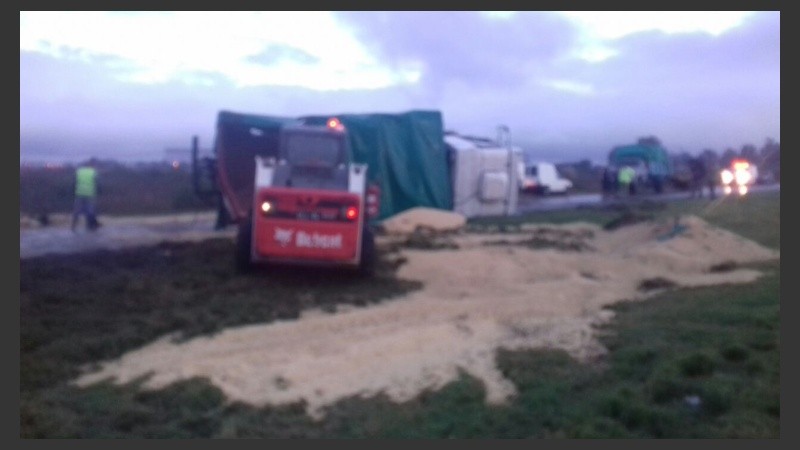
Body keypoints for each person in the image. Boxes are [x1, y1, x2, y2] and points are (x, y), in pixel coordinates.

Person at [71, 160, 101, 231]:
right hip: (90, 194)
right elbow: (98, 183)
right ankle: (90, 226)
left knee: (76, 211)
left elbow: (74, 182)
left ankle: (73, 226)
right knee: (90, 210)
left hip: (79, 193)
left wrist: (73, 191)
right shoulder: (94, 172)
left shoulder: (78, 171)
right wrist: (99, 192)